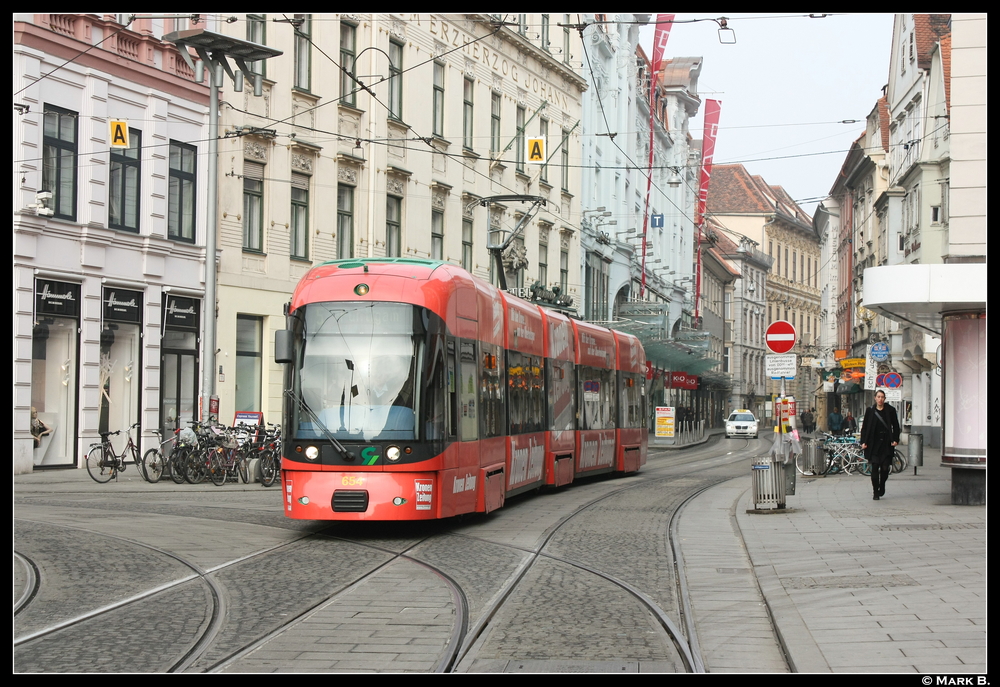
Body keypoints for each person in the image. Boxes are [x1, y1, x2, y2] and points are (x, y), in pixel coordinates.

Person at [860, 390, 901, 500]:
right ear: (875, 398)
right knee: (874, 467)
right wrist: (863, 441)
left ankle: (882, 485)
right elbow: (864, 427)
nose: (880, 399)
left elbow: (896, 426)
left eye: (882, 397)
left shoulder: (890, 410)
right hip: (873, 443)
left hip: (886, 443)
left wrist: (896, 439)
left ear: (884, 398)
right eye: (878, 397)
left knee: (885, 468)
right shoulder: (870, 411)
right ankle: (875, 492)